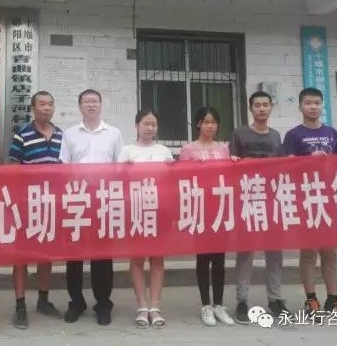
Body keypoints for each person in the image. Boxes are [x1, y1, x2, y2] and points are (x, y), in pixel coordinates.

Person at [59, 89, 124, 326]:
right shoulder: (70, 134)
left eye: (95, 101)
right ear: (79, 107)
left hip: (103, 200)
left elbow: (119, 167)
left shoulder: (114, 133)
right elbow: (64, 166)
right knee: (74, 255)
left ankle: (103, 303)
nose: (91, 105)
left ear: (101, 105)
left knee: (102, 255)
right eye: (86, 102)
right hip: (76, 199)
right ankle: (76, 302)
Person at [283, 87, 337, 316]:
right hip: (306, 198)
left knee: (330, 253)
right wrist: (308, 160)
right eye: (308, 103)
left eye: (317, 103)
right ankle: (311, 299)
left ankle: (333, 298)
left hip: (329, 199)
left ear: (322, 105)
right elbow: (287, 165)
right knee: (308, 253)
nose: (313, 107)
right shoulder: (293, 135)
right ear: (300, 106)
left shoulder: (332, 133)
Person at [229, 91, 290, 324]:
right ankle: (242, 300)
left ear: (270, 107)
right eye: (257, 105)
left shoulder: (275, 136)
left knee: (274, 253)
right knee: (246, 252)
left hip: (272, 199)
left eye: (265, 105)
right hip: (248, 199)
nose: (262, 109)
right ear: (250, 108)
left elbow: (282, 166)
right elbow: (231, 166)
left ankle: (275, 298)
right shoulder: (239, 133)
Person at [8, 91, 63, 329]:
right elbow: (12, 170)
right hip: (26, 204)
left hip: (52, 205)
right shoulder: (22, 135)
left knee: (46, 255)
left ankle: (43, 300)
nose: (46, 108)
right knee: (21, 257)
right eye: (42, 104)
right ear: (33, 108)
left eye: (50, 104)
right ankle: (20, 305)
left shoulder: (62, 135)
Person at [179, 106, 236, 327]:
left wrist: (235, 162)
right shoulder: (188, 149)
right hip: (199, 209)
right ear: (198, 124)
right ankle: (206, 305)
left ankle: (219, 305)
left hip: (220, 208)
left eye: (214, 122)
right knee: (203, 259)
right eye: (206, 122)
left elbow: (230, 175)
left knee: (219, 258)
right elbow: (180, 179)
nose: (210, 126)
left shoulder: (224, 149)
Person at [117, 109, 174, 329]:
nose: (150, 128)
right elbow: (116, 179)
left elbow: (172, 181)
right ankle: (142, 305)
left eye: (154, 124)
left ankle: (155, 306)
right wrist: (124, 169)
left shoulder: (164, 151)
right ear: (136, 126)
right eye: (146, 124)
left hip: (159, 210)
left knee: (157, 259)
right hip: (135, 210)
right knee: (137, 258)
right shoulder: (126, 151)